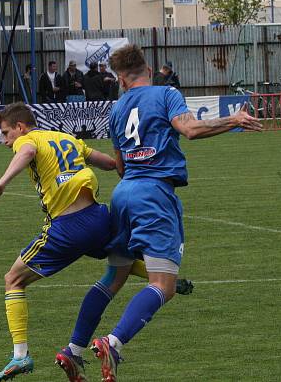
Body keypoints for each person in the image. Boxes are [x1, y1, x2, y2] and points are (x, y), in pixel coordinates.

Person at [86, 45, 261, 380]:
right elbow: (190, 129)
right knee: (163, 285)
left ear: (122, 79)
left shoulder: (118, 108)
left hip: (123, 196)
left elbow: (121, 166)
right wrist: (234, 119)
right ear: (148, 69)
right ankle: (113, 341)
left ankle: (73, 348)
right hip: (154, 195)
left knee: (114, 276)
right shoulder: (166, 93)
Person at [0, 103, 119, 381]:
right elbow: (110, 164)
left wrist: (2, 182)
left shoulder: (28, 140)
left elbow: (28, 151)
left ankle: (20, 356)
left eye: (7, 133)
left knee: (13, 279)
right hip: (98, 217)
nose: (6, 141)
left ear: (20, 127)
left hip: (67, 228)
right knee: (122, 260)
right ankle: (165, 281)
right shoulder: (67, 138)